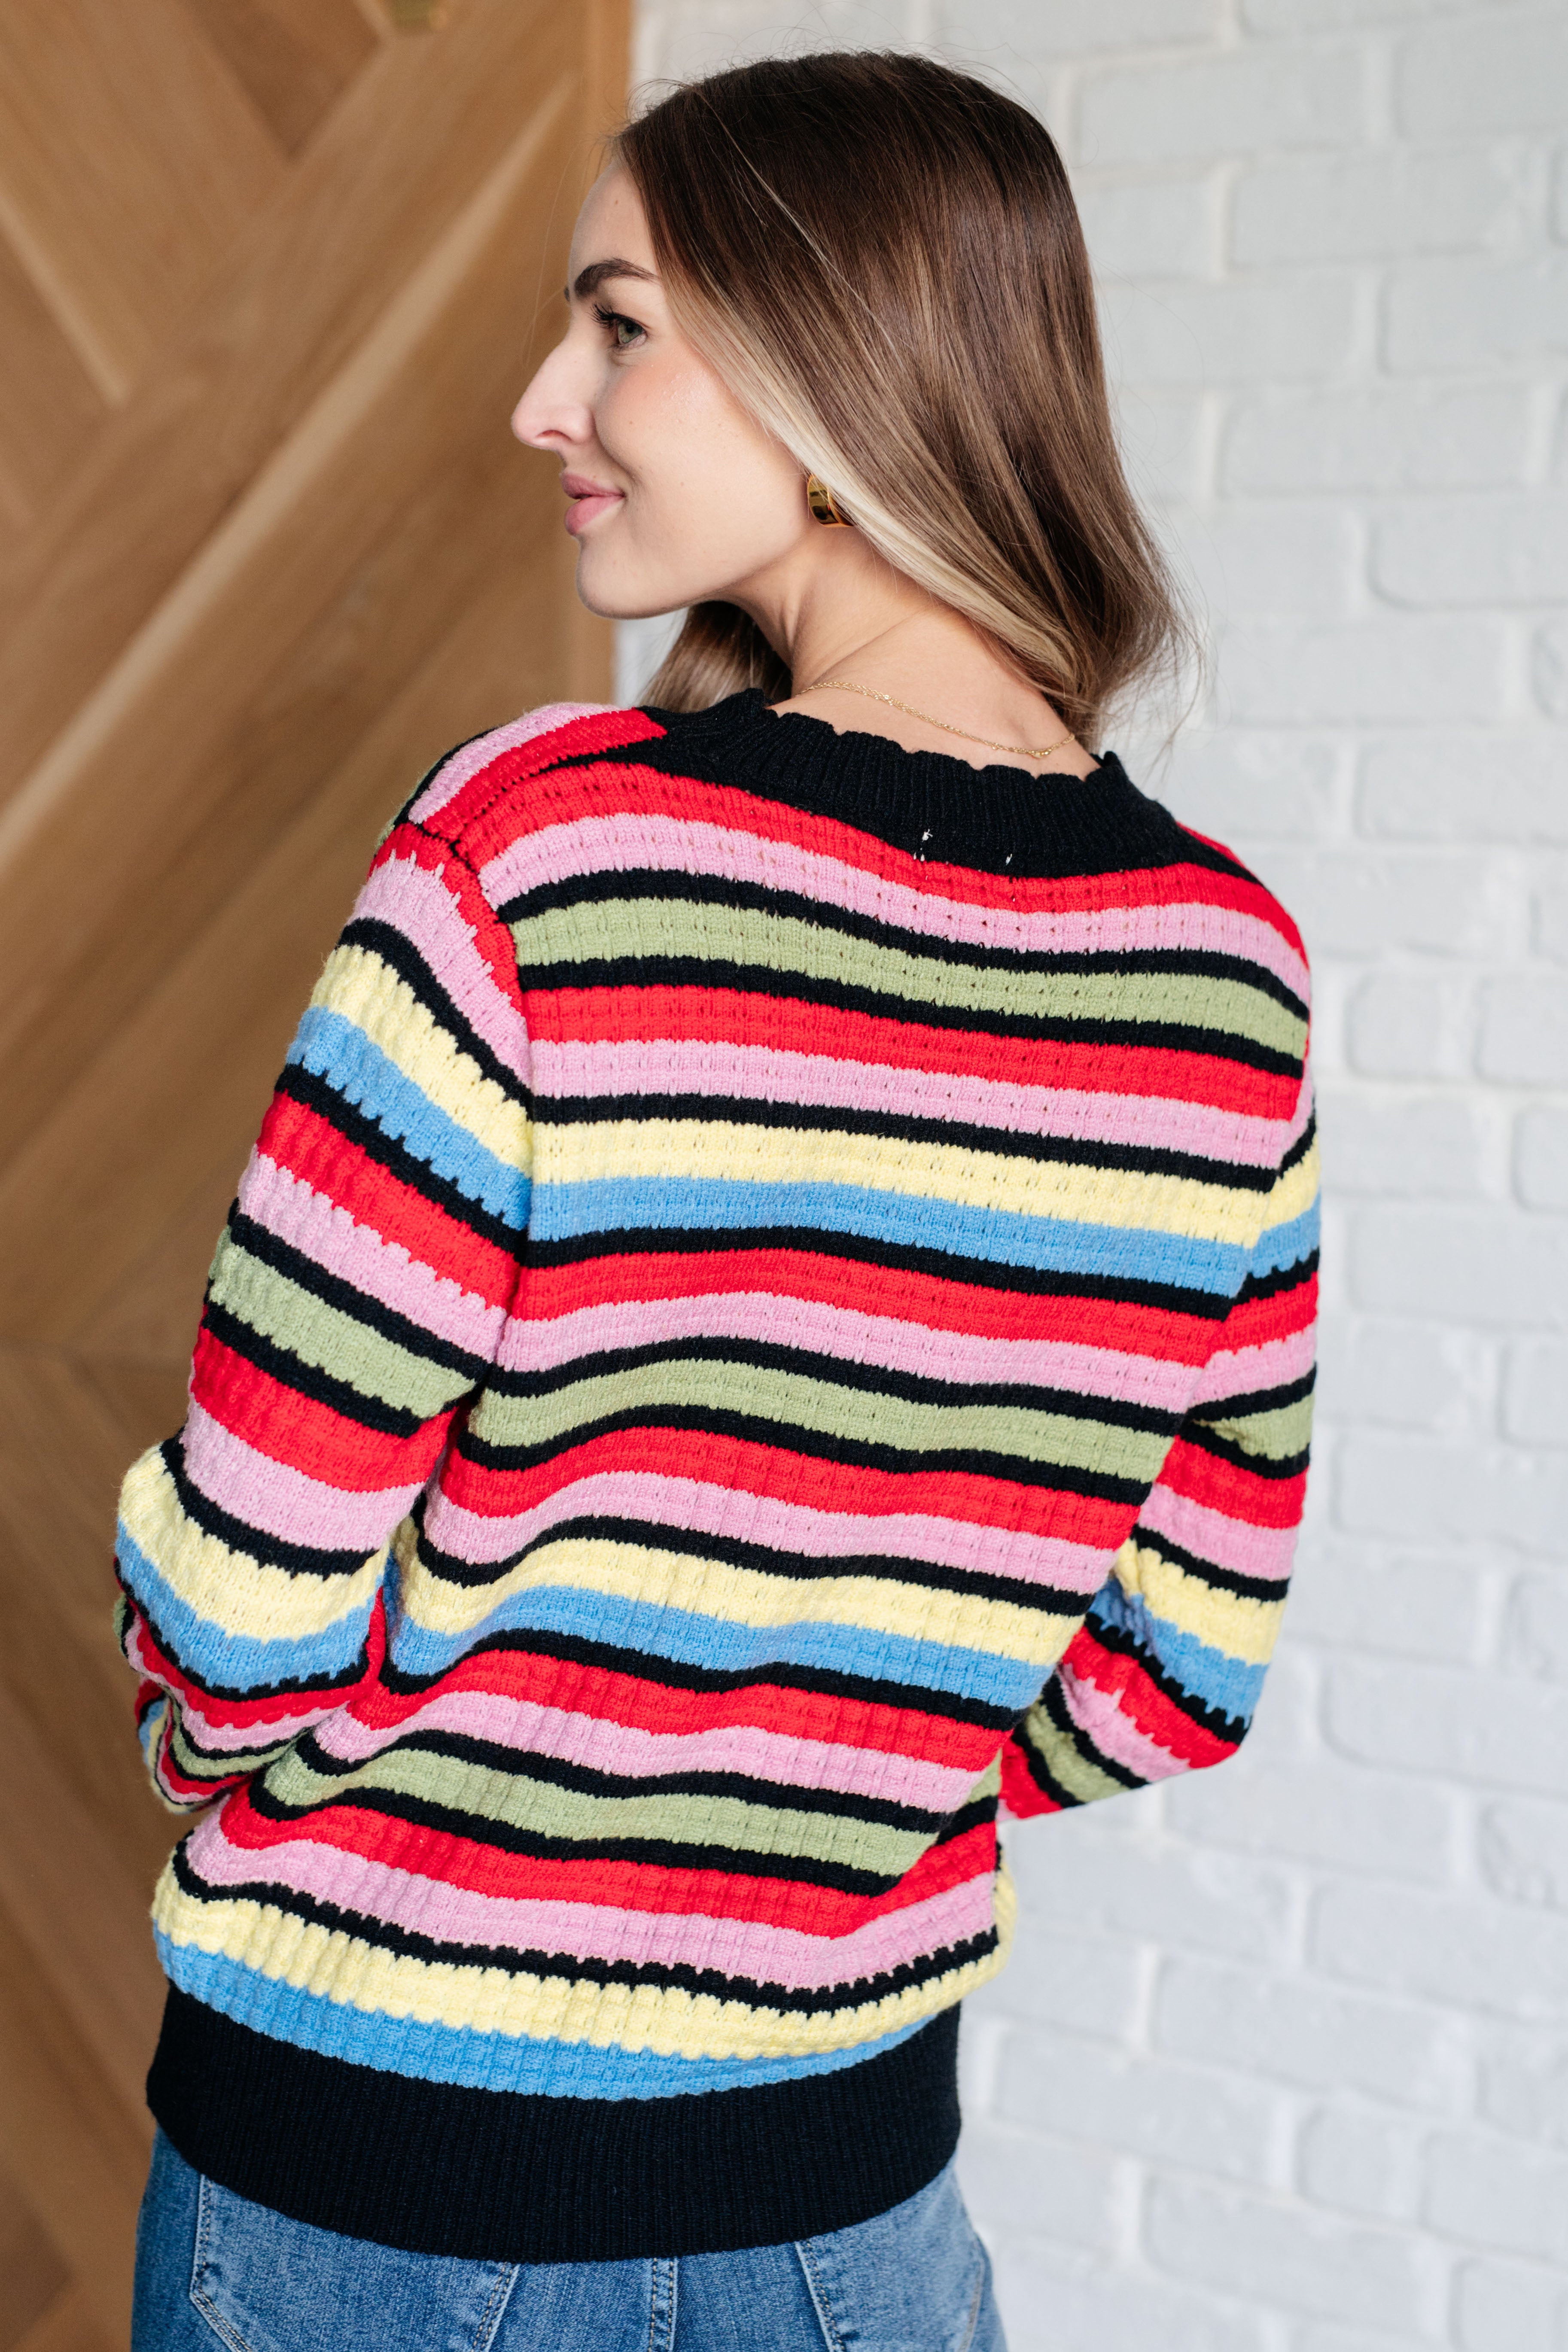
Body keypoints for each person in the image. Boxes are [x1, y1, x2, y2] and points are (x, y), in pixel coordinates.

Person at [121, 48, 1317, 2352]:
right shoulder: (1218, 965)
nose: (540, 404)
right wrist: (800, 1794)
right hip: (851, 2216)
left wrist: (298, 1760)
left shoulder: (540, 849)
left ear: (829, 362)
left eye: (618, 326)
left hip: (372, 2197)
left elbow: (244, 1604)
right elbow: (1169, 1676)